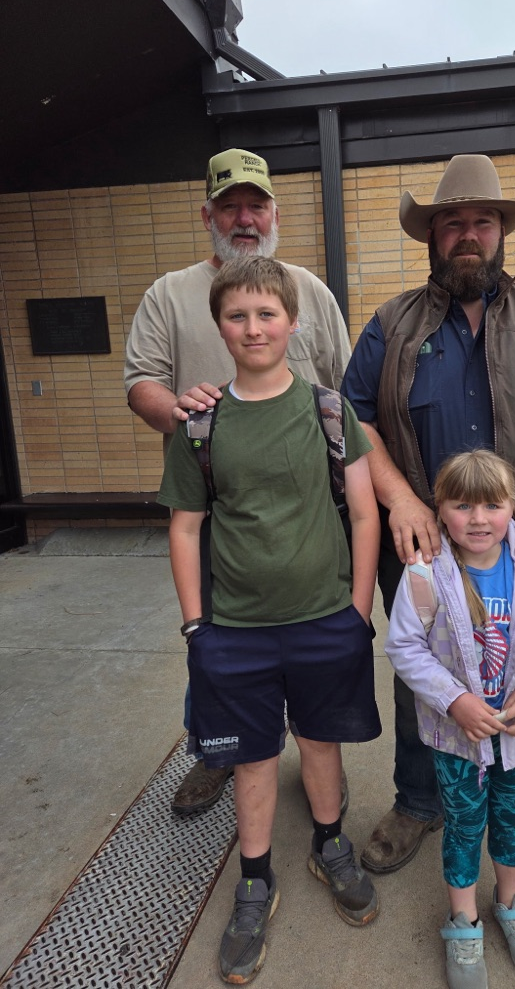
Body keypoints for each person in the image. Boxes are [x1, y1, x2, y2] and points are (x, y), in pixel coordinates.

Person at [341, 153, 515, 884]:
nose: (468, 235)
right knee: (422, 673)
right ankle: (419, 801)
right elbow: (353, 418)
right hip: (421, 545)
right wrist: (402, 499)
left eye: (483, 221)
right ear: (432, 236)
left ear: (502, 232)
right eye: (453, 223)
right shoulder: (390, 324)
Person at [157, 257, 381, 985]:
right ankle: (254, 877)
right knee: (251, 757)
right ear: (219, 327)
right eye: (237, 316)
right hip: (234, 629)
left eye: (266, 314)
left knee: (320, 741)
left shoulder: (328, 411)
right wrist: (196, 627)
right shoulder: (200, 424)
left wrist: (357, 612)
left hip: (324, 619)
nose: (253, 328)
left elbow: (365, 513)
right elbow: (185, 526)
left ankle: (329, 843)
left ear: (292, 322)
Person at [125, 148, 352, 815]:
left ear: (275, 214)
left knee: (313, 647)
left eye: (256, 206)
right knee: (215, 638)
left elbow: (344, 388)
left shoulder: (309, 293)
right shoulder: (169, 294)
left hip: (307, 512)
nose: (245, 218)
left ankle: (318, 753)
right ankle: (219, 751)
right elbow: (140, 383)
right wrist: (180, 413)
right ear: (208, 216)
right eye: (230, 207)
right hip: (215, 507)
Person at [386, 450, 515, 987]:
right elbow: (404, 645)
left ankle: (513, 904)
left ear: (512, 507)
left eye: (492, 505)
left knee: (513, 818)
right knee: (463, 824)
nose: (478, 519)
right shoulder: (425, 576)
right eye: (462, 506)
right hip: (456, 739)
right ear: (440, 510)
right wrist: (453, 700)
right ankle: (463, 919)